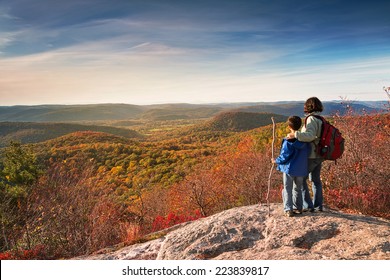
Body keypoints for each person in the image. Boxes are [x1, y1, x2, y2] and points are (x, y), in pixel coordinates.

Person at [287, 97, 324, 212]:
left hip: (312, 154)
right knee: (315, 180)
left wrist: (295, 135)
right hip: (319, 154)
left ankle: (308, 206)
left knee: (301, 179)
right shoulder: (321, 119)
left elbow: (310, 136)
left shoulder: (311, 119)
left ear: (309, 106)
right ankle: (318, 206)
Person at [273, 116, 310, 217]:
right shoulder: (305, 140)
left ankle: (288, 209)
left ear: (289, 126)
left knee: (287, 188)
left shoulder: (288, 140)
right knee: (297, 188)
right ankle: (299, 207)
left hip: (289, 168)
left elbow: (285, 156)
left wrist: (276, 161)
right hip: (301, 169)